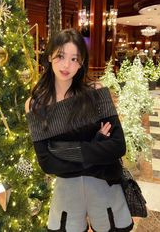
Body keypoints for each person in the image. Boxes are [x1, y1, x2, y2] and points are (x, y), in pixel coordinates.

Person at [25, 28, 133, 232]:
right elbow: (47, 163)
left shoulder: (96, 93)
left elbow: (118, 146)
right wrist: (97, 146)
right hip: (68, 194)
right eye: (61, 56)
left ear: (82, 62)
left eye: (75, 59)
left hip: (105, 189)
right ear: (49, 56)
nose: (67, 65)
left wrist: (61, 150)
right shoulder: (36, 105)